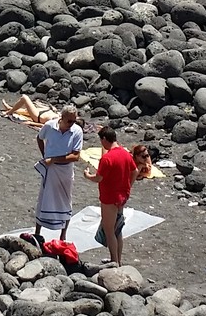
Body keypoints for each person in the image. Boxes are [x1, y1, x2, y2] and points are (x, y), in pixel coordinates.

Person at [83, 124, 137, 265]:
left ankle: (114, 261)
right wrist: (128, 187)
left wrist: (88, 176)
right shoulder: (125, 154)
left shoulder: (107, 159)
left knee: (109, 230)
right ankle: (118, 259)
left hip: (109, 198)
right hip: (122, 197)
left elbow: (98, 178)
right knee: (117, 229)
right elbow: (135, 171)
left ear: (105, 139)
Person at [34, 104, 83, 240]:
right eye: (69, 121)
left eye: (74, 120)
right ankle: (38, 232)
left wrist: (54, 159)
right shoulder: (50, 126)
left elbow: (76, 156)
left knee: (65, 200)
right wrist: (45, 155)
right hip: (51, 170)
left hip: (65, 170)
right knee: (44, 197)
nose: (72, 124)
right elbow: (39, 137)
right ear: (62, 118)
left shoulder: (77, 131)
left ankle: (63, 235)